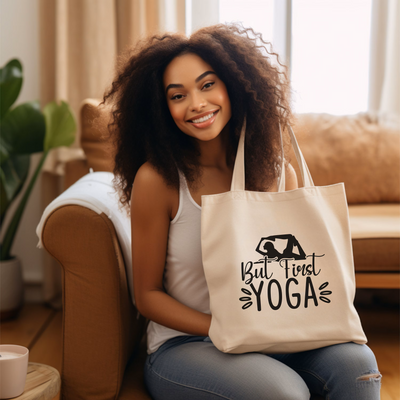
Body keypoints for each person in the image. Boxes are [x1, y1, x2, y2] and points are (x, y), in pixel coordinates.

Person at [103, 23, 381, 400]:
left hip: (281, 333)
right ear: (162, 108)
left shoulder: (278, 171)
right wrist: (226, 325)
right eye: (177, 95)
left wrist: (268, 328)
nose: (197, 104)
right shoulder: (158, 180)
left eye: (207, 85)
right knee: (283, 393)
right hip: (189, 344)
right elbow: (147, 295)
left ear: (234, 85)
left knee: (357, 367)